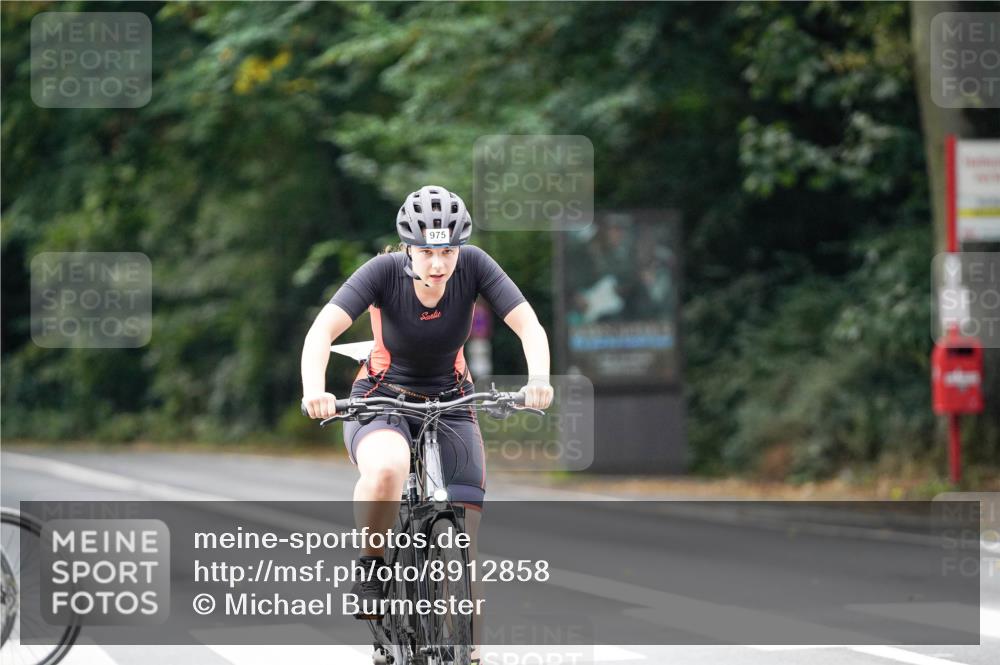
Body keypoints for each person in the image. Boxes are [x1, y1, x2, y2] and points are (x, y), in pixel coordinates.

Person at [301, 185, 554, 664]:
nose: (438, 264)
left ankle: (470, 651)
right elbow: (321, 332)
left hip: (452, 400)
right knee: (389, 470)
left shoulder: (475, 266)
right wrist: (315, 389)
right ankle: (373, 566)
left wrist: (539, 379)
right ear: (408, 249)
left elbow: (529, 326)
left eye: (447, 251)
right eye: (426, 252)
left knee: (465, 534)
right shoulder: (381, 273)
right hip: (382, 399)